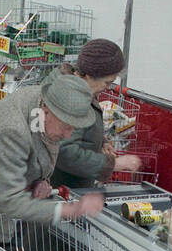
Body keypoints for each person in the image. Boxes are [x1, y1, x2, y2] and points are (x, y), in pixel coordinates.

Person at [0, 71, 106, 224]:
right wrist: (69, 210)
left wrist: (40, 180)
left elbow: (40, 149)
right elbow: (12, 201)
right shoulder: (13, 130)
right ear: (46, 112)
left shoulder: (48, 101)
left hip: (5, 207)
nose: (67, 136)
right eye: (66, 127)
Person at [51, 39, 143, 189]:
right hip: (59, 189)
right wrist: (115, 164)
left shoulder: (79, 88)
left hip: (70, 186)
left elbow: (78, 128)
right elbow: (64, 153)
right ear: (89, 75)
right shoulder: (72, 100)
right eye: (107, 82)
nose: (107, 88)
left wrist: (101, 141)